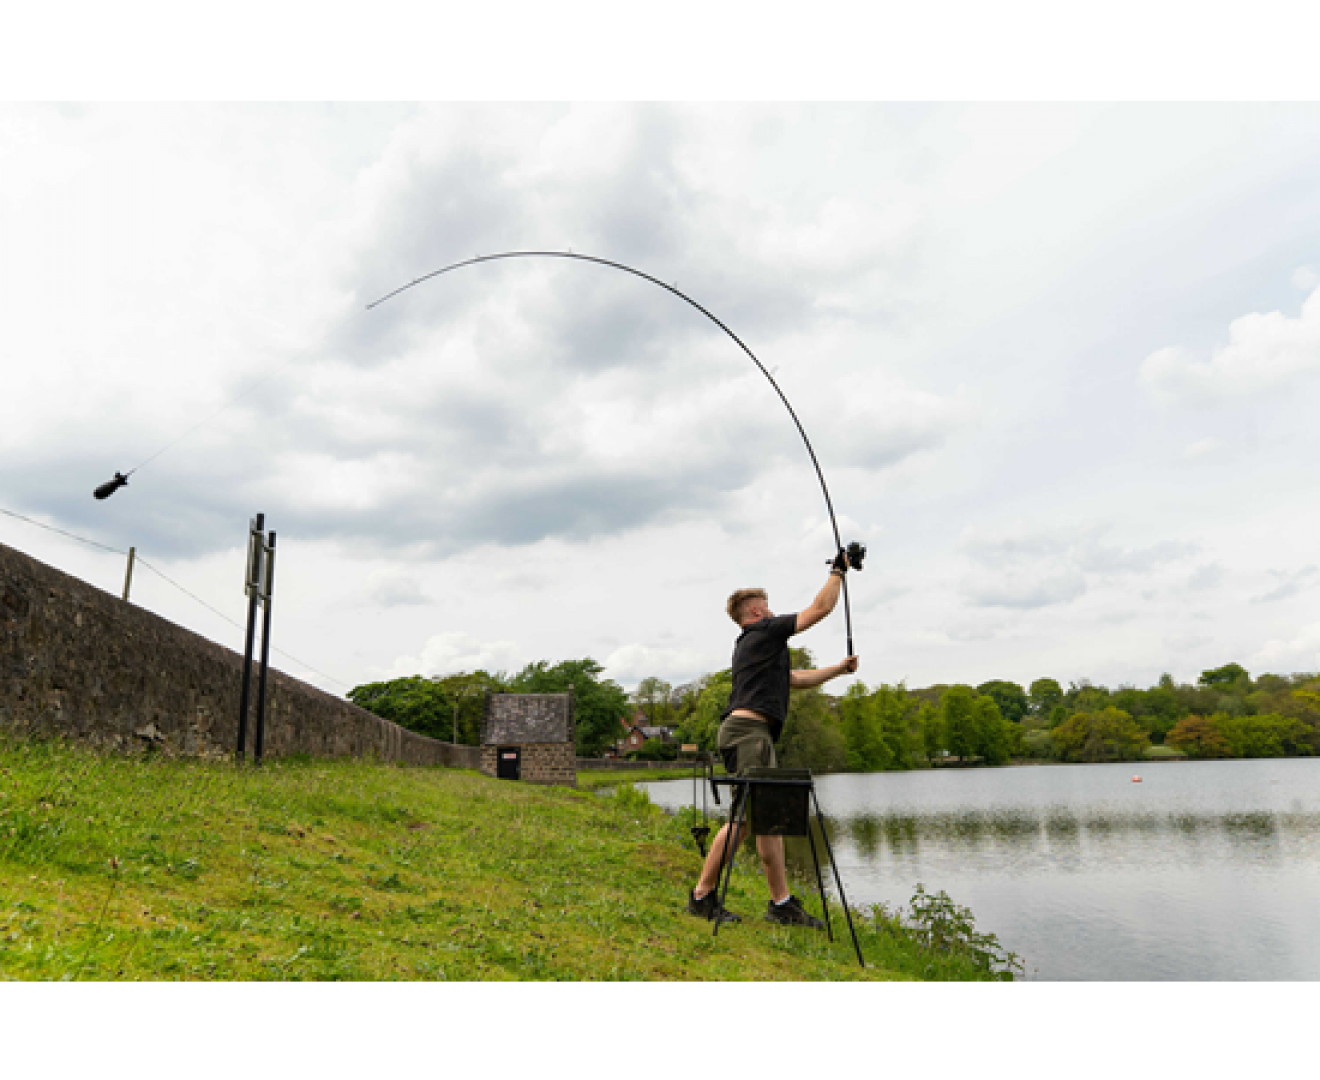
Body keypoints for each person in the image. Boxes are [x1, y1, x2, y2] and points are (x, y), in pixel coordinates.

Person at [687, 552, 859, 928]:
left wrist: (837, 670)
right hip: (748, 733)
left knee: (767, 820)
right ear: (754, 614)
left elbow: (794, 680)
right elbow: (819, 609)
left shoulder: (759, 649)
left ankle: (779, 904)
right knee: (744, 821)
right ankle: (703, 895)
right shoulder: (762, 632)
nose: (772, 612)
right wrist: (837, 571)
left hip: (751, 733)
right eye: (766, 608)